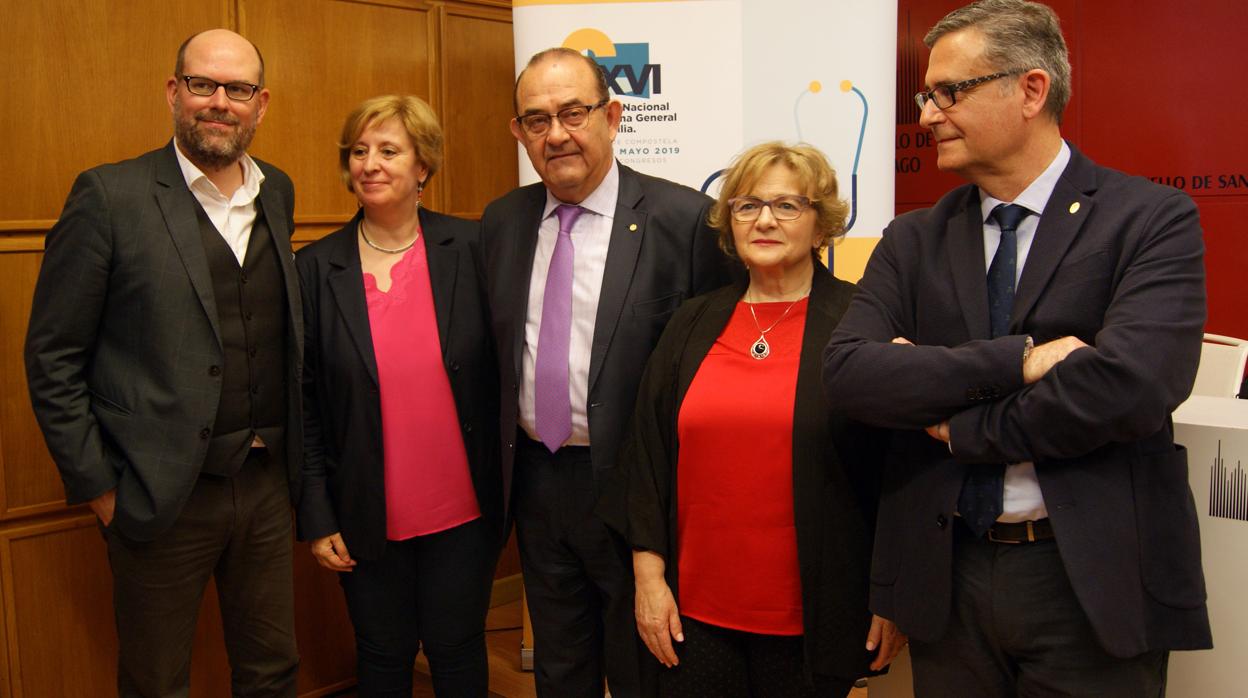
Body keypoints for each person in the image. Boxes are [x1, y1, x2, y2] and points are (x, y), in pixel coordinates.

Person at [822, 1, 1212, 696]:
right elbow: (852, 373)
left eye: (950, 92)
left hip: (1091, 580)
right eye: (925, 95)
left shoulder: (1148, 220)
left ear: (1031, 90)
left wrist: (960, 425)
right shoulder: (913, 239)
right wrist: (1017, 361)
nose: (927, 116)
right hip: (948, 580)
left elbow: (1130, 387)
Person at [24, 28, 301, 696]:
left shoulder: (278, 192)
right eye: (203, 85)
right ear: (174, 92)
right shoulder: (109, 197)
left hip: (265, 488)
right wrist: (101, 489)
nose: (219, 103)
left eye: (236, 90)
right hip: (156, 498)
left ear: (260, 104)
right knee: (156, 682)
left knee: (271, 673)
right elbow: (53, 354)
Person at [596, 142, 903, 697]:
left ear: (820, 226)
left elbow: (897, 472)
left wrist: (892, 592)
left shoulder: (859, 323)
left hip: (816, 616)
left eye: (787, 205)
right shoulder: (693, 321)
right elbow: (647, 458)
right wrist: (648, 578)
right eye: (747, 205)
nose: (764, 219)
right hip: (695, 617)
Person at [479, 47, 730, 697]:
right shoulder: (503, 222)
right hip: (537, 480)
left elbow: (718, 370)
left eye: (573, 112)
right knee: (560, 664)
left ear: (613, 117)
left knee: (647, 666)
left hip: (640, 491)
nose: (556, 134)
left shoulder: (685, 223)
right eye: (536, 120)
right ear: (518, 133)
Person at [296, 95, 502, 697]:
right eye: (358, 152)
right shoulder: (314, 268)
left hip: (464, 505)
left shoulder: (472, 249)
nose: (370, 164)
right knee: (383, 656)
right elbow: (305, 404)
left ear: (423, 167)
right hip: (364, 509)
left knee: (457, 648)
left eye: (388, 150)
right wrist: (316, 513)